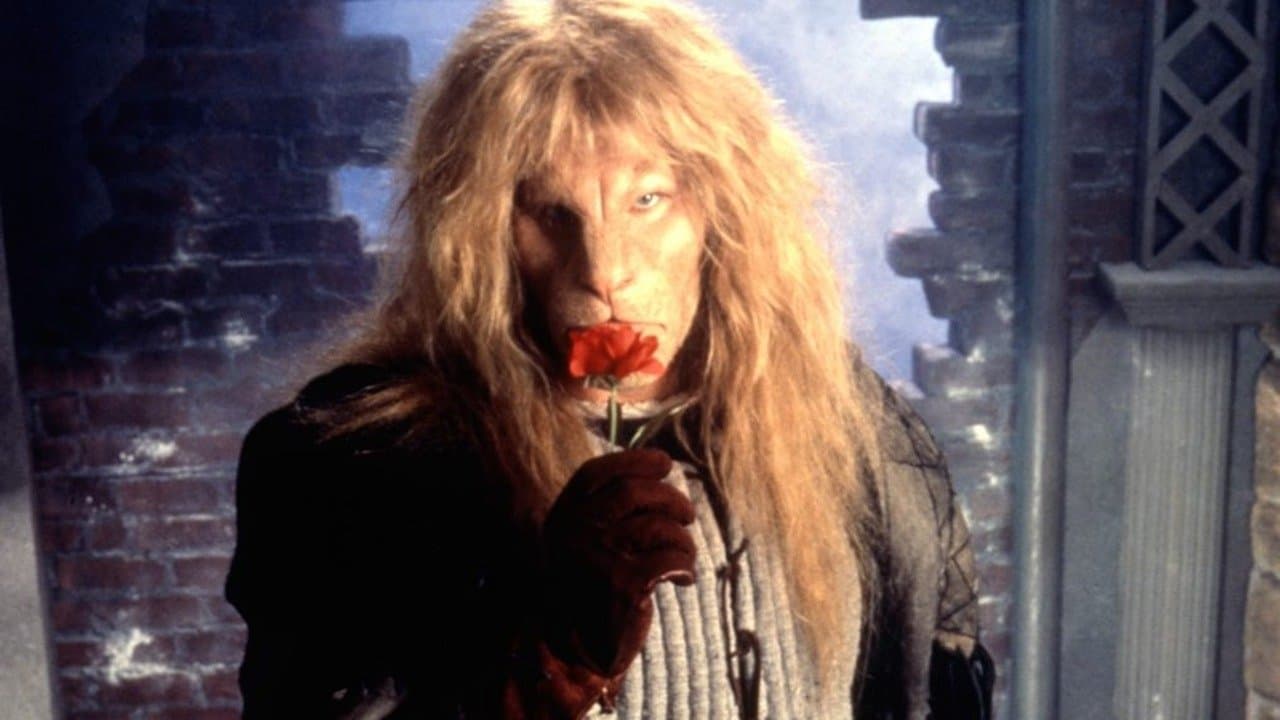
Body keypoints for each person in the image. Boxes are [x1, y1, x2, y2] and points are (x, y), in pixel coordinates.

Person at [224, 0, 995, 718]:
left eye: (647, 200)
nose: (603, 269)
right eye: (550, 213)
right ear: (481, 234)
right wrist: (548, 662)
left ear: (725, 210)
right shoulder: (357, 463)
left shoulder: (848, 425)